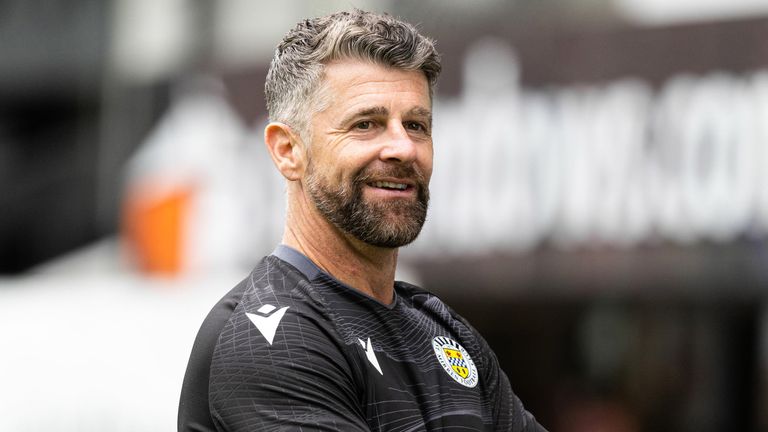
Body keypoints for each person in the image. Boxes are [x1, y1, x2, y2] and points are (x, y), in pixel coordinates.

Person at [178, 9, 547, 432]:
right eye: (366, 124)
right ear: (287, 151)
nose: (403, 148)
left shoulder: (446, 333)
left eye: (416, 125)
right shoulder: (271, 336)